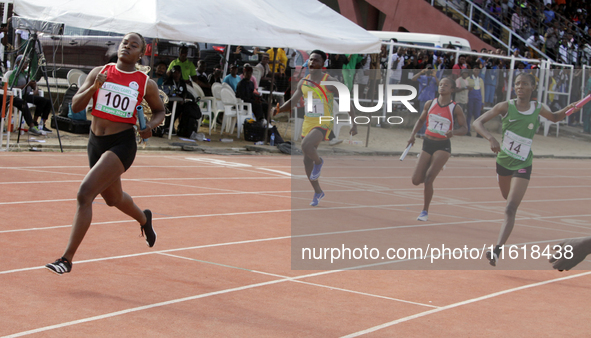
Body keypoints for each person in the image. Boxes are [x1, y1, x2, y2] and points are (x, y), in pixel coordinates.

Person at [45, 32, 166, 275]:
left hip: (122, 144)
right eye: (124, 43)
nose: (127, 47)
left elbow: (159, 111)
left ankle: (66, 259)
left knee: (85, 194)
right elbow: (75, 107)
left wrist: (149, 127)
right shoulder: (100, 72)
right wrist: (93, 86)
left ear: (140, 54)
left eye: (133, 45)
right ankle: (144, 218)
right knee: (113, 199)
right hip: (95, 141)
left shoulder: (145, 83)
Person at [472, 72, 581, 267]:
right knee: (507, 199)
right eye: (517, 84)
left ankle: (496, 250)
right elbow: (477, 122)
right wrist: (491, 138)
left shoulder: (538, 108)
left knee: (510, 207)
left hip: (523, 164)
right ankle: (506, 226)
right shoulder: (505, 106)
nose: (520, 87)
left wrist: (569, 109)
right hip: (503, 162)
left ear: (532, 88)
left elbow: (555, 117)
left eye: (524, 84)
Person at [274, 50, 358, 206]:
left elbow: (347, 100)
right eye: (311, 60)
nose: (312, 63)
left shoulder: (330, 81)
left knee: (306, 146)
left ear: (323, 64)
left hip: (324, 121)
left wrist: (354, 123)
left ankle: (319, 162)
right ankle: (318, 191)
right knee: (306, 161)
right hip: (308, 122)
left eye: (316, 60)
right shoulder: (303, 82)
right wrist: (279, 109)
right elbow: (293, 101)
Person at [407, 76, 467, 222]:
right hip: (427, 143)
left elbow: (465, 128)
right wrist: (412, 135)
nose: (442, 87)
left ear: (452, 89)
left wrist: (454, 132)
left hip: (443, 145)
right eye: (441, 84)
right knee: (416, 180)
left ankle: (424, 211)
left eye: (446, 85)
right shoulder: (430, 103)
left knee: (428, 179)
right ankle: (433, 163)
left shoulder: (455, 108)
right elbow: (421, 120)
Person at [10, 54, 53, 132]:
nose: (26, 64)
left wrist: (36, 89)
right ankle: (34, 122)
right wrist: (26, 85)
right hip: (21, 95)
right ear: (19, 62)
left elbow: (34, 83)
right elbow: (12, 87)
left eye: (27, 63)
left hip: (30, 94)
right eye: (25, 62)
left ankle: (42, 123)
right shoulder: (15, 74)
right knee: (42, 101)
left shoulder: (27, 73)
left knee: (48, 102)